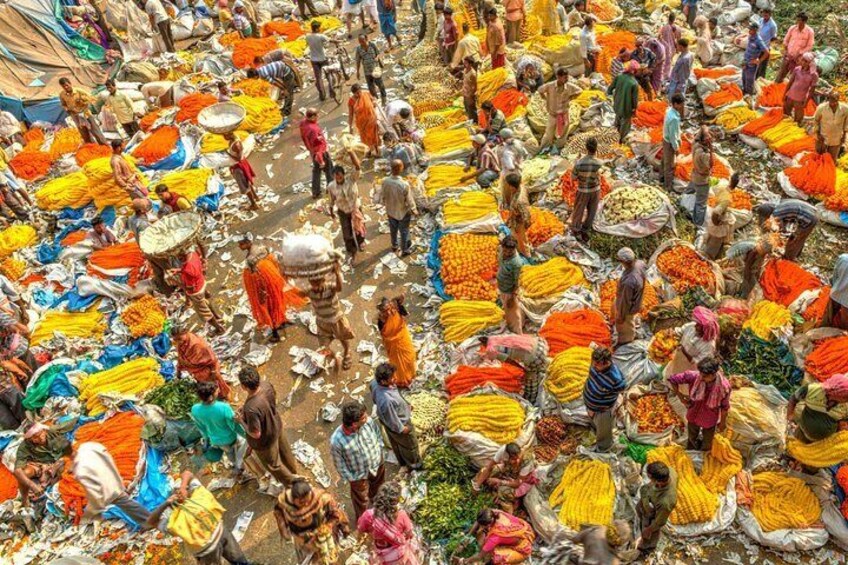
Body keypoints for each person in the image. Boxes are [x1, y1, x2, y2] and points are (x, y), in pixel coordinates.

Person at [146, 470, 249, 564]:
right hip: (220, 537)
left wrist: (166, 503)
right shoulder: (199, 495)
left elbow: (152, 521)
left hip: (208, 549)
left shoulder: (176, 522)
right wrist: (183, 486)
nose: (179, 493)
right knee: (240, 561)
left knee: (240, 561)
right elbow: (188, 474)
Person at [237, 366, 300, 486]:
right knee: (285, 452)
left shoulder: (251, 408)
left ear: (244, 387)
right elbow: (269, 403)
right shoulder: (266, 386)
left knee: (274, 465)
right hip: (277, 425)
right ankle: (294, 472)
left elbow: (255, 434)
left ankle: (293, 483)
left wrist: (240, 421)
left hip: (266, 440)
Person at [71, 441, 151, 527]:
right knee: (127, 505)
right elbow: (106, 456)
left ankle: (151, 520)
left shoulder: (80, 469)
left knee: (128, 504)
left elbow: (93, 489)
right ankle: (146, 522)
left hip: (108, 488)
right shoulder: (86, 446)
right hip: (112, 479)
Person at [330, 400, 385, 521]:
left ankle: (378, 505)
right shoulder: (337, 440)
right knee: (361, 500)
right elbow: (339, 464)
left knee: (379, 487)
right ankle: (364, 520)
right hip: (358, 476)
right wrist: (352, 479)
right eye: (363, 417)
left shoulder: (368, 422)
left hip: (377, 464)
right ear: (354, 424)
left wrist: (380, 450)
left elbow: (377, 434)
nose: (367, 417)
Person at [275, 479, 350, 564]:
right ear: (294, 499)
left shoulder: (322, 498)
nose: (306, 505)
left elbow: (336, 513)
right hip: (303, 540)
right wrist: (290, 534)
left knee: (331, 556)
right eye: (302, 502)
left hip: (324, 534)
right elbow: (280, 517)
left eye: (308, 500)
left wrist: (328, 526)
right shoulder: (284, 504)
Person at [240, 234, 298, 342]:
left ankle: (276, 334)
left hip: (265, 285)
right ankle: (282, 320)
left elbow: (257, 278)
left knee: (269, 308)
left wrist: (261, 293)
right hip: (274, 279)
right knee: (278, 300)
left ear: (248, 243)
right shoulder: (261, 248)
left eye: (241, 244)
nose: (239, 246)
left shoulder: (250, 260)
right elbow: (274, 261)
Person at [669, 357, 730, 451]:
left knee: (707, 443)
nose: (701, 377)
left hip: (710, 419)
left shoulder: (724, 387)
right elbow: (673, 379)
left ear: (713, 374)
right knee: (692, 437)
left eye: (705, 376)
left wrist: (722, 423)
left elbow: (724, 407)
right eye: (700, 373)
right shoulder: (694, 376)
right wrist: (680, 396)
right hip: (693, 414)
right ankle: (692, 450)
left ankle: (703, 454)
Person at [370, 363, 422, 469]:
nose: (395, 378)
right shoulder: (386, 400)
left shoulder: (374, 383)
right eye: (392, 378)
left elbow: (376, 398)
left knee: (396, 443)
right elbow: (392, 419)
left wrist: (406, 406)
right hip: (399, 423)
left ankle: (402, 461)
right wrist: (402, 429)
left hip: (388, 420)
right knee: (409, 445)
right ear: (383, 381)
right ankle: (414, 465)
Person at [13, 419, 76, 506]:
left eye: (41, 434)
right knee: (24, 473)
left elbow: (68, 424)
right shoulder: (24, 447)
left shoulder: (51, 431)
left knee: (66, 445)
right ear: (30, 439)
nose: (40, 438)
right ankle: (25, 499)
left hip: (58, 460)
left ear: (43, 430)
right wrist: (32, 486)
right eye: (35, 437)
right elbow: (17, 471)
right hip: (40, 465)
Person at [191, 381, 247, 476]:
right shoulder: (224, 407)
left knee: (229, 452)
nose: (219, 391)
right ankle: (242, 466)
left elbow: (200, 426)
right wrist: (245, 434)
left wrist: (206, 438)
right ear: (211, 396)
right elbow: (234, 425)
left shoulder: (195, 409)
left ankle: (235, 465)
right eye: (216, 391)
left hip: (215, 440)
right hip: (230, 437)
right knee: (240, 448)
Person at [308, 261, 356, 370]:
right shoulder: (310, 291)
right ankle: (333, 355)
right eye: (312, 284)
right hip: (322, 322)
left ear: (323, 281)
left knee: (343, 337)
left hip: (336, 320)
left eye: (317, 284)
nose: (315, 287)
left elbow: (339, 288)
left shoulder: (330, 287)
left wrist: (337, 273)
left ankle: (347, 352)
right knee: (323, 346)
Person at [357, 482, 421, 565]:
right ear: (396, 501)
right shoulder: (402, 515)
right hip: (399, 557)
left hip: (381, 554)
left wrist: (361, 540)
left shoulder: (368, 515)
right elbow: (410, 535)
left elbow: (361, 529)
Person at [479, 334, 548, 405]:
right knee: (541, 369)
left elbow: (509, 360)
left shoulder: (491, 350)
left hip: (533, 357)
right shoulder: (495, 338)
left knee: (531, 378)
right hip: (538, 345)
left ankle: (531, 401)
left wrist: (523, 369)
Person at [472, 443, 538, 513]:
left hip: (522, 482)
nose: (517, 461)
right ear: (507, 457)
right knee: (487, 471)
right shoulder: (503, 451)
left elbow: (517, 483)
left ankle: (512, 504)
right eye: (513, 459)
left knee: (503, 491)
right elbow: (488, 468)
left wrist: (499, 481)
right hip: (510, 471)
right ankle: (488, 491)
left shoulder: (527, 461)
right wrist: (476, 486)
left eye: (518, 458)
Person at [583, 346, 626, 452]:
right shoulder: (595, 364)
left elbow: (621, 391)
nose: (594, 365)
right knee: (594, 422)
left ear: (607, 363)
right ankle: (594, 427)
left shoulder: (616, 379)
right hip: (591, 404)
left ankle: (603, 449)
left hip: (603, 410)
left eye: (597, 364)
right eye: (593, 362)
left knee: (604, 432)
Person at [456, 509, 534, 565]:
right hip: (524, 534)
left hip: (522, 549)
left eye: (483, 526)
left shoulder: (495, 537)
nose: (481, 526)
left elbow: (479, 556)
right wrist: (467, 538)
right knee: (484, 537)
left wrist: (464, 561)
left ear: (488, 525)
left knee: (495, 557)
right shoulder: (494, 513)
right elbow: (479, 521)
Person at [787, 373, 848, 444]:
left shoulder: (845, 405)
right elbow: (793, 398)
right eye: (845, 397)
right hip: (803, 432)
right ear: (835, 393)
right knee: (795, 446)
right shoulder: (813, 390)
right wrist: (790, 415)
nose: (846, 400)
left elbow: (844, 421)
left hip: (825, 440)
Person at [173, 326, 231, 399]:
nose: (178, 342)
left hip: (205, 369)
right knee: (205, 385)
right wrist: (179, 370)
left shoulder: (196, 344)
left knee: (214, 385)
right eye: (175, 339)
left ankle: (223, 395)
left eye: (179, 339)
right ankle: (211, 395)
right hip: (194, 370)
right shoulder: (181, 344)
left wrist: (213, 371)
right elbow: (180, 357)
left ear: (186, 333)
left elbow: (211, 358)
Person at [374, 159, 418, 256]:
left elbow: (381, 194)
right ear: (401, 168)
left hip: (390, 211)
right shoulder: (404, 184)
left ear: (391, 168)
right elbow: (409, 199)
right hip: (402, 212)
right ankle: (405, 250)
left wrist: (381, 202)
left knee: (393, 229)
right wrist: (414, 209)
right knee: (404, 231)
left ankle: (394, 245)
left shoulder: (385, 181)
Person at [178, 248, 226, 335]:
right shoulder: (193, 254)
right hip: (201, 283)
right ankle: (217, 316)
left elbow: (189, 287)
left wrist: (177, 282)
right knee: (205, 302)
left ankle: (219, 328)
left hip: (196, 291)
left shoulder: (187, 268)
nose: (179, 260)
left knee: (204, 313)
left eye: (179, 258)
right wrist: (178, 271)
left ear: (182, 256)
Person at [328, 153, 365, 258]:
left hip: (355, 208)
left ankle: (361, 242)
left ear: (344, 174)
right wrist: (331, 212)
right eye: (335, 175)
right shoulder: (331, 186)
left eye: (340, 174)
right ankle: (351, 249)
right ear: (333, 176)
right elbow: (331, 200)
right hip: (343, 211)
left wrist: (351, 152)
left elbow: (357, 167)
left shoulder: (351, 179)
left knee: (359, 227)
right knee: (346, 233)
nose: (338, 177)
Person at [664, 306, 719, 376]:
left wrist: (684, 351)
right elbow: (679, 331)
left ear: (705, 329)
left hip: (690, 369)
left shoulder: (709, 345)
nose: (695, 326)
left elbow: (698, 362)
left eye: (699, 325)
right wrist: (670, 332)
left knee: (681, 381)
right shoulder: (691, 326)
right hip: (677, 358)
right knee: (670, 374)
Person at [637, 462, 678, 554]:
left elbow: (659, 522)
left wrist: (648, 530)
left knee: (650, 530)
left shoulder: (666, 502)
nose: (648, 480)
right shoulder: (670, 471)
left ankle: (648, 546)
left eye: (649, 477)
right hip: (650, 498)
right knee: (641, 512)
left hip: (655, 510)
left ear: (657, 481)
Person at [537, 67, 580, 154]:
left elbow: (579, 90)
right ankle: (544, 148)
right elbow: (540, 90)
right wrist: (545, 98)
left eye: (567, 77)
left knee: (563, 133)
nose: (566, 79)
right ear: (558, 77)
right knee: (549, 133)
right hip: (553, 114)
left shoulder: (569, 86)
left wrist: (571, 97)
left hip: (564, 114)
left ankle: (559, 147)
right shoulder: (550, 86)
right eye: (564, 77)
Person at [377, 295, 416, 388]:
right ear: (381, 312)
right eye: (385, 311)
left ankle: (411, 374)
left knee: (410, 357)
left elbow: (405, 313)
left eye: (389, 308)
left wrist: (398, 302)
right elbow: (384, 334)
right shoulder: (381, 321)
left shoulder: (397, 310)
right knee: (397, 365)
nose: (388, 312)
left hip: (403, 339)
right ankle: (401, 380)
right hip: (393, 346)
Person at [570, 137, 603, 242]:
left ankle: (576, 229)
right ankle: (585, 229)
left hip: (583, 190)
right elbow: (600, 175)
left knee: (579, 210)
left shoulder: (579, 163)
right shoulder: (599, 163)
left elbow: (573, 178)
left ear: (586, 148)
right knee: (592, 211)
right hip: (595, 190)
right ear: (596, 148)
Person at [613, 247, 646, 346]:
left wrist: (621, 316)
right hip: (638, 300)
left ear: (624, 261)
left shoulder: (629, 282)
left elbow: (625, 301)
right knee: (631, 317)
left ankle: (626, 340)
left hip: (629, 308)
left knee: (626, 325)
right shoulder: (640, 264)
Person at [300, 108, 333, 200]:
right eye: (316, 116)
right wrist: (321, 160)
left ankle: (315, 192)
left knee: (316, 171)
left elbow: (303, 137)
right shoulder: (313, 129)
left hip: (312, 151)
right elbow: (318, 146)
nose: (318, 117)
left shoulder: (303, 123)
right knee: (329, 169)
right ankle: (331, 188)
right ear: (312, 117)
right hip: (320, 153)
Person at [702, 175, 735, 260]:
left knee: (709, 240)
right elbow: (716, 212)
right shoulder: (726, 199)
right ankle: (707, 259)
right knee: (713, 246)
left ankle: (705, 254)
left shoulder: (722, 187)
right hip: (717, 224)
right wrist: (717, 223)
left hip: (714, 222)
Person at [224, 131, 259, 210]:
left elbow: (238, 158)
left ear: (229, 134)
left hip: (239, 167)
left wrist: (227, 154)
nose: (224, 137)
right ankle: (256, 197)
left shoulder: (236, 144)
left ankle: (254, 204)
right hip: (241, 165)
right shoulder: (233, 142)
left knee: (245, 186)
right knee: (247, 182)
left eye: (225, 134)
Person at [776, 12, 814, 83]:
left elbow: (810, 46)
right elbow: (786, 40)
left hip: (798, 59)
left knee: (794, 78)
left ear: (804, 21)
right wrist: (786, 50)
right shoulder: (792, 28)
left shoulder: (809, 31)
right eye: (797, 20)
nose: (798, 22)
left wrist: (799, 53)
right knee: (780, 75)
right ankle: (774, 89)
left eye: (800, 21)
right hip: (788, 56)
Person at [496, 235, 524, 334]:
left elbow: (517, 282)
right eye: (505, 250)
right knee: (507, 310)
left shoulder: (516, 263)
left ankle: (518, 332)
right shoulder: (500, 249)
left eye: (510, 252)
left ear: (514, 249)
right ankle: (509, 324)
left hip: (509, 290)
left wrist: (512, 297)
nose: (507, 253)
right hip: (501, 286)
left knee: (514, 312)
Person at [607, 61, 640, 143]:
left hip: (617, 105)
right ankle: (620, 141)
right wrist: (634, 109)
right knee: (624, 126)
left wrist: (612, 96)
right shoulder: (634, 83)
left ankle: (613, 137)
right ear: (635, 71)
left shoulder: (619, 77)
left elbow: (610, 89)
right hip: (626, 108)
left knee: (617, 120)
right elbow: (634, 100)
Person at [783, 52, 818, 125]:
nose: (803, 62)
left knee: (798, 119)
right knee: (786, 114)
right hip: (790, 95)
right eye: (802, 60)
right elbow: (790, 82)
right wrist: (785, 94)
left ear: (810, 63)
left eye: (806, 61)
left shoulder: (814, 75)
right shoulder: (797, 69)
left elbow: (812, 90)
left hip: (800, 98)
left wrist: (806, 102)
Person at [348, 84, 382, 156]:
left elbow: (373, 100)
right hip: (362, 124)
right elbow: (351, 115)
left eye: (360, 91)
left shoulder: (366, 94)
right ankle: (371, 150)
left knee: (375, 135)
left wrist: (374, 102)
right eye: (357, 93)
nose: (359, 94)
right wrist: (350, 126)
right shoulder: (351, 101)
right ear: (353, 93)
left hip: (372, 120)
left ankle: (377, 150)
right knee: (366, 138)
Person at [813, 91, 848, 161]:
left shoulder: (845, 108)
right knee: (819, 157)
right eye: (830, 99)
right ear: (828, 99)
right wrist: (817, 133)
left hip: (836, 138)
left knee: (832, 159)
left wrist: (844, 135)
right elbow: (816, 121)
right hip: (822, 137)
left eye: (834, 100)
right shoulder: (821, 108)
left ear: (838, 99)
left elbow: (846, 122)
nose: (832, 102)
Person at [689, 125, 713, 226]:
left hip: (694, 175)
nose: (711, 137)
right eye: (709, 136)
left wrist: (704, 130)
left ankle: (684, 208)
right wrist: (711, 149)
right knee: (701, 204)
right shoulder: (704, 155)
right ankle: (697, 224)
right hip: (702, 180)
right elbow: (711, 164)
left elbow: (699, 133)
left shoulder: (695, 144)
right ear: (705, 140)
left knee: (690, 190)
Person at [662, 93, 684, 192]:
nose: (681, 106)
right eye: (680, 104)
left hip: (665, 139)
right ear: (675, 104)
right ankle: (667, 187)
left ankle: (661, 177)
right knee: (669, 165)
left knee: (664, 160)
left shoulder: (669, 110)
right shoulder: (674, 118)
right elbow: (673, 137)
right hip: (669, 142)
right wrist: (676, 149)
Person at [355, 34, 387, 105]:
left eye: (362, 41)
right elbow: (358, 60)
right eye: (360, 41)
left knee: (380, 84)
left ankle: (384, 97)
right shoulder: (358, 49)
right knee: (371, 88)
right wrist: (357, 72)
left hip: (375, 69)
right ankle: (376, 100)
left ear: (366, 39)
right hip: (367, 71)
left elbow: (378, 53)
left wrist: (377, 58)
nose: (361, 43)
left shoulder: (372, 45)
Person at [304, 22, 331, 102]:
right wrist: (337, 41)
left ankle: (322, 95)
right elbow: (329, 40)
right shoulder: (321, 36)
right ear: (316, 28)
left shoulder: (308, 37)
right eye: (319, 27)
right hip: (323, 58)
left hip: (314, 59)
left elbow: (308, 44)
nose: (320, 29)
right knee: (328, 74)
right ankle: (331, 88)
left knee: (318, 78)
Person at [824, 254, 848, 329]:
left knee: (827, 319)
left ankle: (820, 333)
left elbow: (835, 276)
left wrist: (835, 286)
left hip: (835, 293)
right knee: (844, 326)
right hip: (846, 303)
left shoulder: (844, 259)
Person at [658, 13, 681, 82]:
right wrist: (677, 48)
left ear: (668, 18)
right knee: (669, 63)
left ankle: (661, 76)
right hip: (672, 48)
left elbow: (659, 37)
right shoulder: (677, 28)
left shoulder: (664, 27)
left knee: (663, 62)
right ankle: (666, 76)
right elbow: (679, 39)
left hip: (663, 47)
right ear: (674, 19)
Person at [756, 8, 778, 78]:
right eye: (764, 13)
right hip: (757, 46)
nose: (765, 15)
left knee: (762, 66)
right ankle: (754, 79)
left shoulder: (772, 25)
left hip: (765, 48)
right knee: (755, 64)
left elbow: (773, 37)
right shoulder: (761, 20)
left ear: (770, 15)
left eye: (767, 14)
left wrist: (767, 45)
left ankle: (760, 81)